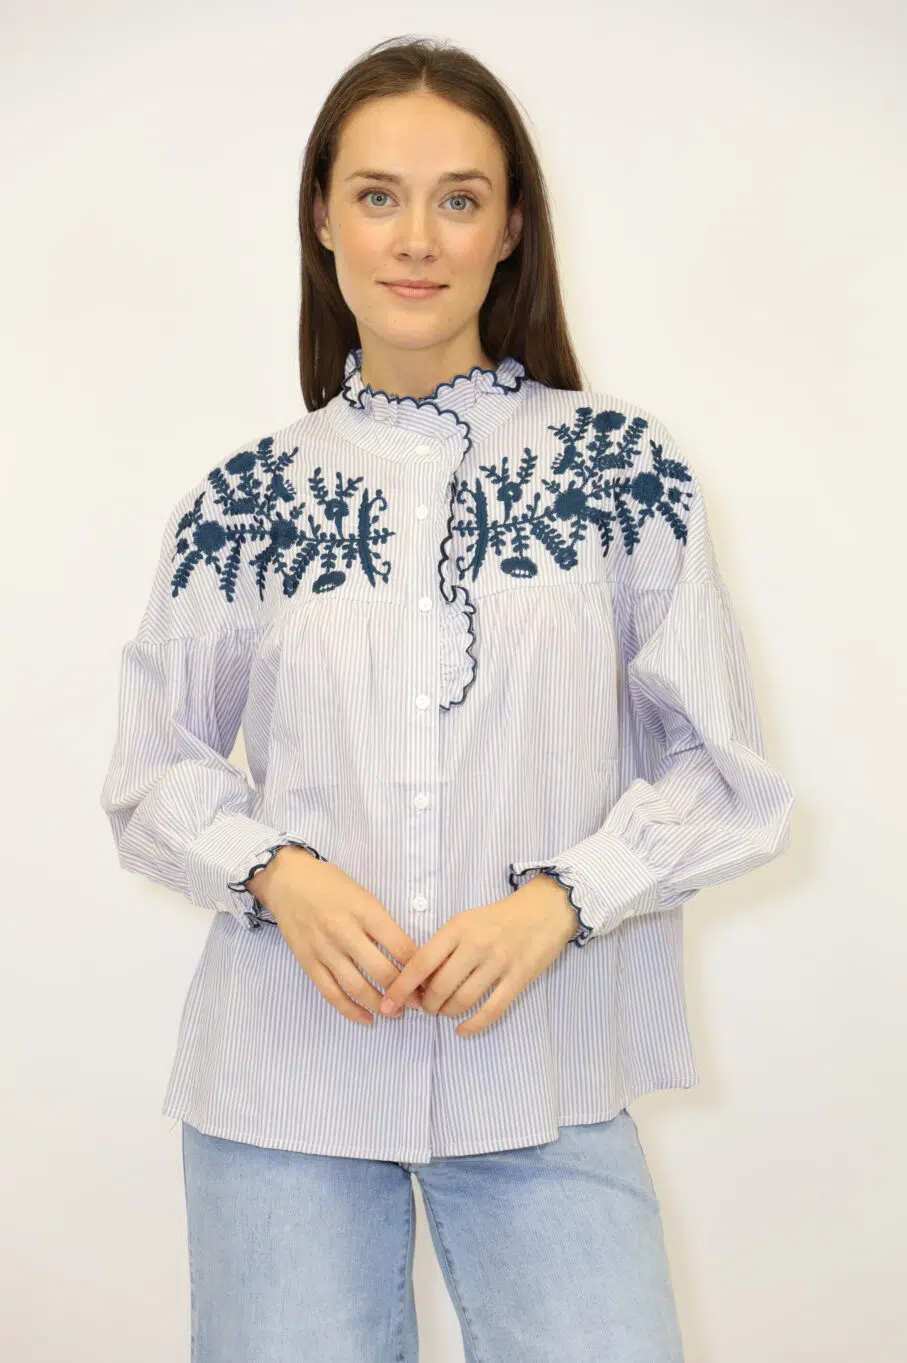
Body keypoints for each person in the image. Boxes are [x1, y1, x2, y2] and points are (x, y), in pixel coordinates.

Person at [99, 34, 795, 1363]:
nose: (415, 237)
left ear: (510, 227)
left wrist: (561, 899)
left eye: (458, 198)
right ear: (322, 216)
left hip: (541, 1077)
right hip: (282, 1086)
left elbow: (728, 774)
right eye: (378, 194)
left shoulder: (619, 473)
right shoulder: (246, 500)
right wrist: (280, 875)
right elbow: (151, 770)